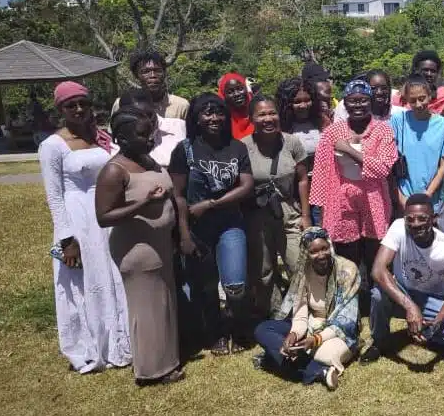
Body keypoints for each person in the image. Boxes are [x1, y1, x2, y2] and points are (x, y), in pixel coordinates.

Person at [39, 81, 130, 374]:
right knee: (84, 281)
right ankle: (93, 346)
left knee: (115, 275)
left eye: (83, 103)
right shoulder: (52, 145)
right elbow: (53, 196)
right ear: (61, 110)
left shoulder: (102, 137)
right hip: (78, 220)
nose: (79, 110)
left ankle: (122, 341)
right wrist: (67, 239)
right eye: (71, 105)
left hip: (109, 214)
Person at [95, 107, 184, 386]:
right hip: (137, 247)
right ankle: (150, 370)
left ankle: (167, 360)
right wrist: (143, 204)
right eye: (143, 135)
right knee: (146, 309)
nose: (150, 140)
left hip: (159, 243)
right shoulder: (114, 170)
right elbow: (103, 216)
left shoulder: (147, 159)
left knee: (162, 304)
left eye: (152, 133)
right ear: (121, 137)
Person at [169, 93, 255, 356]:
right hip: (198, 229)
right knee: (205, 285)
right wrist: (184, 235)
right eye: (207, 113)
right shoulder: (185, 150)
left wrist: (210, 204)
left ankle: (238, 327)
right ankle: (215, 332)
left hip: (230, 223)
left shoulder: (236, 147)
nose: (214, 118)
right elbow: (178, 196)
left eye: (218, 112)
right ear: (196, 117)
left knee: (236, 284)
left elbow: (247, 185)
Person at [364, 194, 444, 363]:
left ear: (433, 219)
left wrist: (436, 324)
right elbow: (377, 270)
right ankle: (379, 342)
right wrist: (410, 306)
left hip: (434, 299)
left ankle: (424, 332)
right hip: (404, 292)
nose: (415, 224)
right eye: (410, 219)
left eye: (422, 218)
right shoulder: (398, 227)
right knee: (378, 294)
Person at [310, 80, 397, 275]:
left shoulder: (382, 130)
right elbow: (321, 172)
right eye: (352, 101)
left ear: (371, 101)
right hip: (341, 201)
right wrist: (322, 210)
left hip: (373, 200)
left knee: (375, 259)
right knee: (347, 263)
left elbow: (383, 168)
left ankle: (376, 302)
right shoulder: (332, 132)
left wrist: (348, 150)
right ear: (345, 103)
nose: (358, 105)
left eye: (363, 100)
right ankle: (352, 302)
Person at [255, 228, 360, 390]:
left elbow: (346, 320)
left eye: (324, 248)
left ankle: (273, 360)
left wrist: (315, 340)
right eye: (314, 252)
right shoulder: (304, 271)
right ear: (306, 253)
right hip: (310, 325)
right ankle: (321, 372)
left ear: (330, 246)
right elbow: (301, 311)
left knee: (323, 354)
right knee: (262, 329)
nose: (321, 255)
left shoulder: (348, 270)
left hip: (338, 331)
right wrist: (294, 334)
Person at [242, 95, 312, 319]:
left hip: (289, 211)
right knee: (263, 270)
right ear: (252, 118)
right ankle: (272, 313)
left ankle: (304, 311)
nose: (268, 118)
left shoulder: (291, 142)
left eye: (272, 113)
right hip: (258, 215)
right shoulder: (244, 147)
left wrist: (306, 215)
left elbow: (302, 179)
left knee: (298, 264)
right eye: (261, 114)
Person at [389, 75, 444, 213]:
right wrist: (401, 198)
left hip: (432, 201)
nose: (418, 104)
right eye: (413, 100)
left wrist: (427, 195)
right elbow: (390, 163)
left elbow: (443, 166)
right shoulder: (398, 120)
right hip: (403, 198)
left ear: (429, 96)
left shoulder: (443, 124)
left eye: (422, 98)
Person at [277, 77, 331, 226]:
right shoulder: (281, 126)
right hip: (294, 189)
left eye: (307, 100)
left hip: (322, 187)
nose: (303, 105)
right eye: (297, 102)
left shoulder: (322, 121)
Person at [115, 89, 186, 167]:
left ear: (154, 108)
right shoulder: (118, 142)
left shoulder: (180, 127)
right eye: (138, 116)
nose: (147, 121)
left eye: (149, 114)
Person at [111, 50, 189, 119]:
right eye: (146, 71)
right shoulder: (122, 103)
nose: (153, 75)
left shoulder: (181, 105)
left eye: (157, 70)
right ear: (136, 75)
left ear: (164, 73)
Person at [391, 50, 444, 115]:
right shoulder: (400, 99)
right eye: (425, 70)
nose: (429, 74)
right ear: (416, 70)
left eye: (433, 71)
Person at [334, 70, 405, 123]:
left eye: (384, 88)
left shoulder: (401, 114)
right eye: (373, 88)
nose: (379, 92)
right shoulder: (351, 110)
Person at [218, 72, 254, 139]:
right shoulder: (221, 124)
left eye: (240, 89)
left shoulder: (259, 114)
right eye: (230, 92)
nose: (237, 94)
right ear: (224, 96)